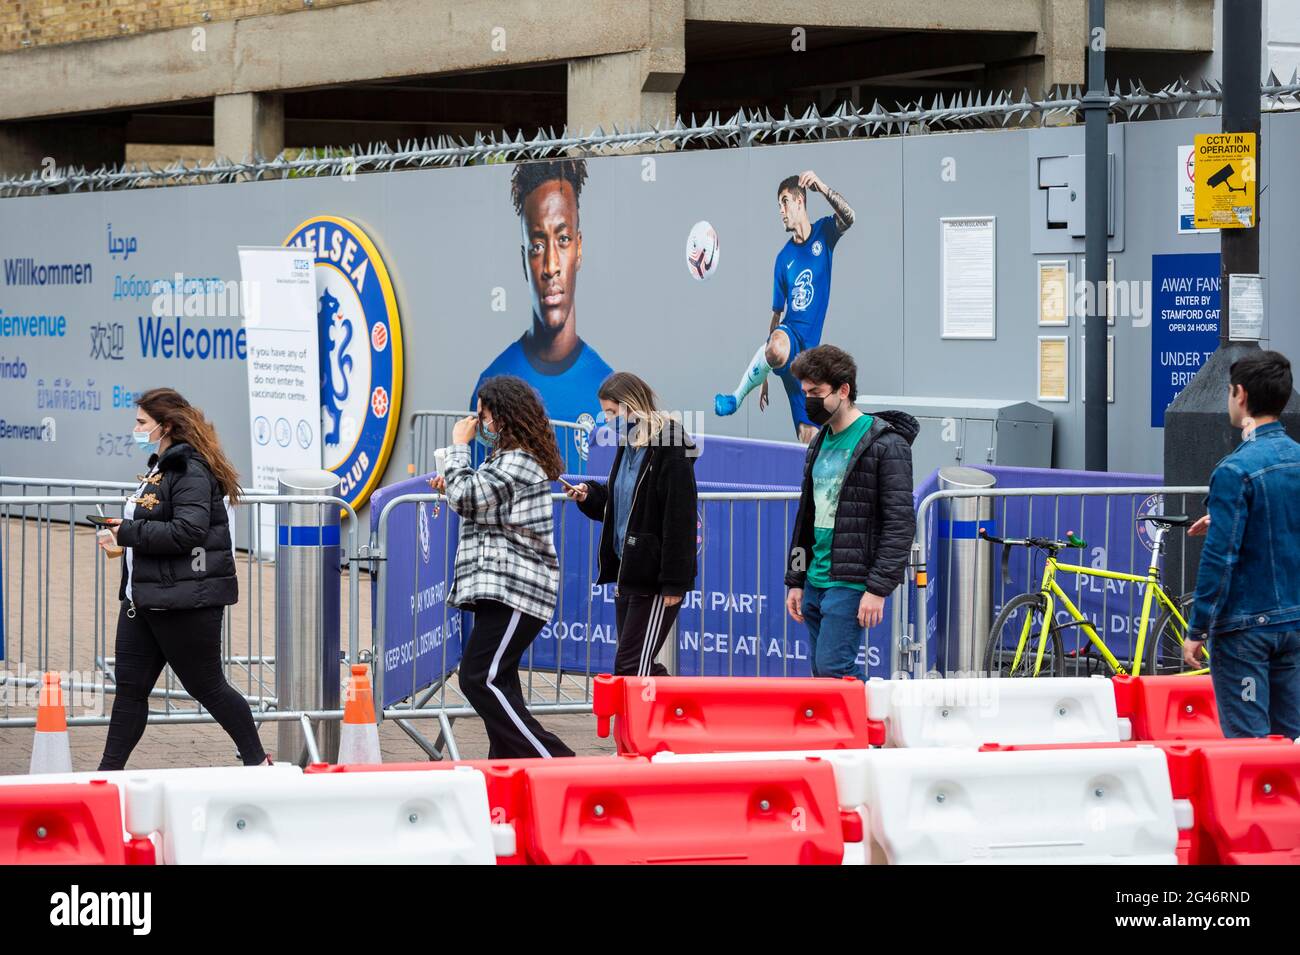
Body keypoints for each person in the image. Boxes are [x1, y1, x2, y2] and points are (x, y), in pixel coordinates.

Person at [96, 388, 269, 770]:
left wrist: (127, 533)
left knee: (207, 686)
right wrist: (122, 537)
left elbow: (188, 531)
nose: (136, 428)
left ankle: (258, 763)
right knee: (130, 690)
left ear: (166, 425)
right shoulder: (162, 465)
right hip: (144, 599)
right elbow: (156, 524)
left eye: (142, 422)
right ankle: (107, 778)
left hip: (185, 601)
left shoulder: (189, 469)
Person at [431, 375, 575, 758]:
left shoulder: (520, 461)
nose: (478, 423)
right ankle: (510, 772)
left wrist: (458, 448)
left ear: (503, 416)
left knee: (479, 678)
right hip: (501, 590)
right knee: (502, 685)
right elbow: (478, 500)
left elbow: (469, 498)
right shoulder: (506, 460)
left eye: (483, 415)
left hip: (517, 591)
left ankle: (556, 763)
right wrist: (453, 482)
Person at [1184, 350, 1300, 739]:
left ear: (1241, 395)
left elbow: (1220, 558)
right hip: (1293, 621)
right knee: (1290, 744)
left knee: (1250, 749)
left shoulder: (1235, 469)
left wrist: (1197, 628)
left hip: (1245, 629)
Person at [782, 345, 917, 679]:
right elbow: (807, 519)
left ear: (843, 390)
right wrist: (796, 579)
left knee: (833, 668)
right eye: (804, 393)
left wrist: (877, 589)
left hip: (852, 581)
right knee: (822, 672)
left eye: (816, 392)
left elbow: (900, 522)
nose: (808, 400)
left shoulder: (886, 444)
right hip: (815, 578)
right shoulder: (818, 442)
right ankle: (848, 730)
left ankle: (879, 722)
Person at [471, 158, 613, 449]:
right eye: (537, 246)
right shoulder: (492, 384)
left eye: (563, 239)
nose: (550, 266)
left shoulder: (607, 386)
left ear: (579, 249)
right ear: (524, 260)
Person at [565, 372, 699, 676]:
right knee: (639, 665)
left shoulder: (669, 442)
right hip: (629, 571)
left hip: (652, 577)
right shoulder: (628, 444)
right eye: (606, 413)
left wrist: (674, 581)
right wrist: (589, 496)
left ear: (633, 405)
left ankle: (652, 721)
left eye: (613, 412)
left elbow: (680, 517)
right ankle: (674, 717)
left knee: (631, 666)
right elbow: (622, 503)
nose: (608, 420)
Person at [714, 170, 856, 444]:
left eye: (784, 201)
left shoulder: (824, 234)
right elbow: (776, 315)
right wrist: (765, 367)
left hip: (809, 363)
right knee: (777, 346)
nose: (781, 210)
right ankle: (735, 397)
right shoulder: (783, 259)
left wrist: (823, 187)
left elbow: (850, 218)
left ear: (800, 201)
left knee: (810, 444)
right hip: (789, 339)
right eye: (778, 205)